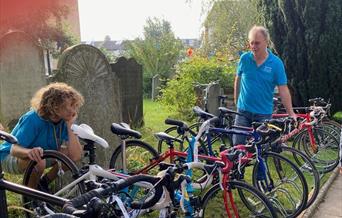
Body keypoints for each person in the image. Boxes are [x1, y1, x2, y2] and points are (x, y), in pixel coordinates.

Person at [0, 82, 84, 190]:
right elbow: (14, 149)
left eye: (75, 106)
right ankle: (30, 199)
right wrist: (29, 152)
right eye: (71, 106)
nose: (74, 111)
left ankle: (44, 183)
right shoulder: (33, 119)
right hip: (10, 157)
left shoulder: (64, 120)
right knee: (38, 161)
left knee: (68, 154)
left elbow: (76, 156)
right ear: (55, 106)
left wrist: (70, 125)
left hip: (42, 155)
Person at [233, 25, 296, 145]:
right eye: (251, 43)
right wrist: (237, 100)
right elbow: (238, 78)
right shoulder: (244, 59)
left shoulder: (276, 63)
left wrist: (290, 112)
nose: (253, 47)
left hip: (263, 114)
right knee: (237, 147)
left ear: (266, 42)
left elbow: (283, 89)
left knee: (261, 151)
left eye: (257, 43)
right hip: (243, 112)